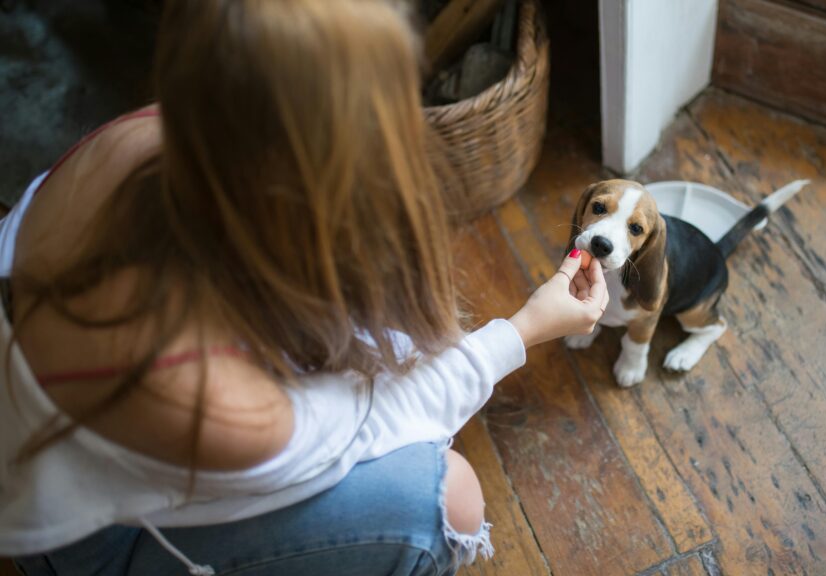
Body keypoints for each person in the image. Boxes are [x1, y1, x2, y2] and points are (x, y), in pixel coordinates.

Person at [0, 1, 608, 574]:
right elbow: (380, 421)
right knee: (451, 498)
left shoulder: (158, 134)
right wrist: (525, 329)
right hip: (92, 538)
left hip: (73, 440)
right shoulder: (218, 403)